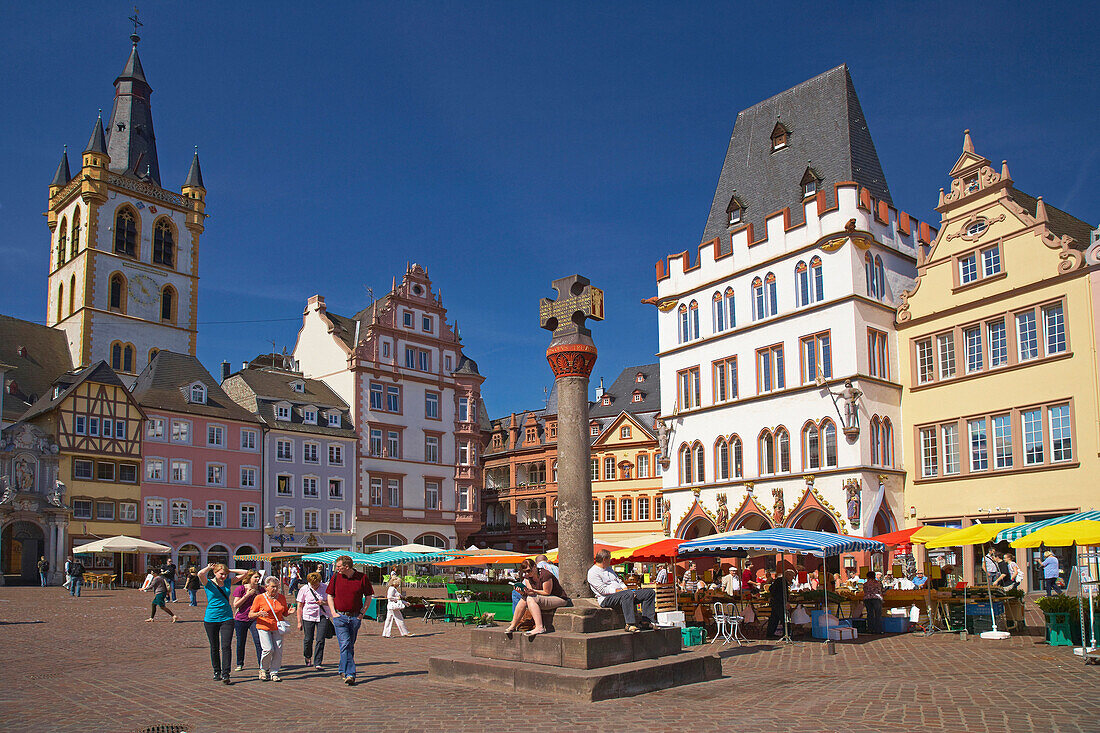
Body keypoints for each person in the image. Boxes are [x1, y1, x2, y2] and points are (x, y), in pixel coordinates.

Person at [325, 555, 374, 685]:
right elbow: (330, 595)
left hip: (355, 617)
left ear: (347, 567)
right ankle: (350, 674)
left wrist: (362, 613)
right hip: (340, 617)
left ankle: (342, 668)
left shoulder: (362, 577)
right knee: (345, 644)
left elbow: (369, 596)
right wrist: (333, 612)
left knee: (349, 645)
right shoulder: (335, 577)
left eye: (339, 567)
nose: (336, 569)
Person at [199, 562, 248, 684]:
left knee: (226, 646)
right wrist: (209, 568)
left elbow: (245, 573)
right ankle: (217, 671)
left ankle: (226, 673)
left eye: (225, 574)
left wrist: (229, 570)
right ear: (215, 573)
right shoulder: (208, 583)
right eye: (221, 574)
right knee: (214, 647)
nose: (224, 576)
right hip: (211, 619)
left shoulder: (227, 581)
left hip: (227, 618)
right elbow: (200, 574)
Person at [587, 549, 656, 632]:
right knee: (627, 594)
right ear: (604, 560)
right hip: (606, 598)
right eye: (609, 559)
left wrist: (626, 589)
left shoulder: (609, 569)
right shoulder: (593, 572)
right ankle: (630, 624)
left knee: (649, 593)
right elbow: (603, 590)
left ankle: (646, 622)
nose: (611, 560)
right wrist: (622, 592)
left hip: (623, 594)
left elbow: (619, 581)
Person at [503, 558, 569, 637]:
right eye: (525, 572)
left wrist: (533, 591)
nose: (527, 574)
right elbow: (530, 592)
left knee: (530, 598)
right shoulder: (527, 578)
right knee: (524, 598)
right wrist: (523, 592)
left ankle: (539, 627)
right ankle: (513, 625)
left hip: (559, 599)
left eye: (529, 571)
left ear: (535, 567)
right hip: (542, 598)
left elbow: (546, 592)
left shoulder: (545, 575)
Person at [250, 577, 289, 682]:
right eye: (272, 587)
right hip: (264, 626)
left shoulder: (281, 597)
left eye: (276, 587)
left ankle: (274, 671)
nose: (275, 589)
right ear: (266, 587)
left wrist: (290, 612)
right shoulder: (259, 598)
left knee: (278, 650)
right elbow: (250, 614)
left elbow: (284, 612)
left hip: (277, 626)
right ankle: (263, 669)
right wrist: (259, 613)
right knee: (268, 649)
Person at [230, 571, 265, 672]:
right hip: (241, 618)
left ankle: (262, 664)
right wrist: (247, 595)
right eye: (255, 577)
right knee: (241, 641)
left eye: (258, 577)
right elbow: (236, 605)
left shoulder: (261, 590)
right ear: (249, 578)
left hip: (255, 618)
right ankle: (239, 663)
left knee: (258, 641)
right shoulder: (241, 588)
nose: (257, 579)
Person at [297, 571, 332, 668]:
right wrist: (299, 622)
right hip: (308, 616)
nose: (315, 586)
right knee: (308, 639)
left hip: (322, 615)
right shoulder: (304, 589)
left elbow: (330, 601)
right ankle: (307, 656)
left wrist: (323, 603)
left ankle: (318, 662)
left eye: (316, 584)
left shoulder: (324, 587)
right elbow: (299, 606)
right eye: (313, 585)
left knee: (320, 639)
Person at [765, 571, 789, 638]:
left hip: (775, 602)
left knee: (774, 619)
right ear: (788, 575)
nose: (792, 578)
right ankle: (786, 633)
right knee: (783, 618)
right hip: (780, 602)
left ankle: (770, 634)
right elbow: (784, 594)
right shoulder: (783, 582)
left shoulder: (780, 581)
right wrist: (786, 601)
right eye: (791, 576)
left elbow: (771, 588)